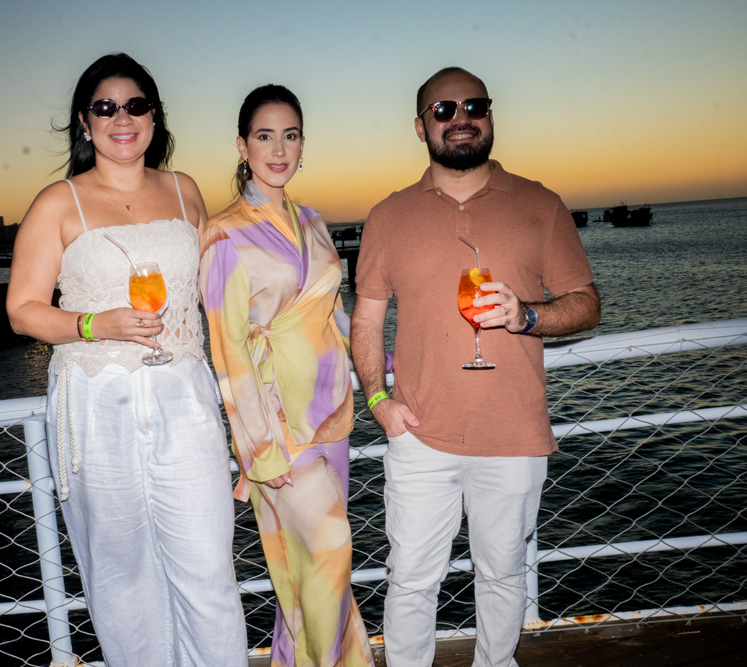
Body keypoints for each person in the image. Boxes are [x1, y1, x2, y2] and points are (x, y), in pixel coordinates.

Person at [350, 67, 601, 667]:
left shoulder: (541, 205)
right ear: (421, 127)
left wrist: (527, 317)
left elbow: (587, 303)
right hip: (419, 435)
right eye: (442, 110)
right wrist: (379, 403)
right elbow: (364, 321)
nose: (460, 118)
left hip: (514, 435)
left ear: (490, 115)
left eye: (473, 105)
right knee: (410, 579)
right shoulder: (388, 216)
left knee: (503, 574)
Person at [6, 53, 246, 667]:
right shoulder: (58, 202)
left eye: (135, 105)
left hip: (185, 395)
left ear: (154, 115)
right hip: (97, 402)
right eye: (105, 107)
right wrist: (94, 324)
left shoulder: (184, 189)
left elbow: (216, 291)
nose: (121, 118)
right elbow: (23, 310)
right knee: (121, 577)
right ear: (84, 122)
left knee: (207, 567)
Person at [199, 85, 374, 667]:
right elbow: (228, 352)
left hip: (332, 414)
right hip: (278, 425)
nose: (279, 149)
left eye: (291, 135)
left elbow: (334, 311)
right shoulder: (224, 233)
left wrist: (382, 362)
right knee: (331, 555)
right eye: (265, 135)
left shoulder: (314, 221)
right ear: (244, 146)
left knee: (305, 576)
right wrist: (260, 450)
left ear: (303, 145)